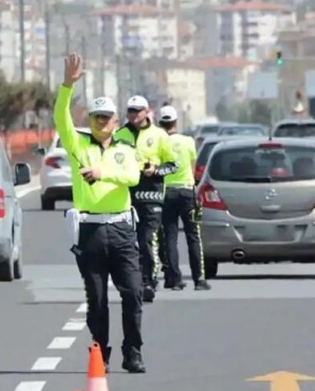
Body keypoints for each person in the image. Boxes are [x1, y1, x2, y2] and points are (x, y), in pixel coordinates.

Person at [54, 53, 146, 373]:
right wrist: (67, 84)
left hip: (121, 229)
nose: (101, 122)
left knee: (133, 292)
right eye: (95, 117)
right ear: (89, 119)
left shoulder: (124, 151)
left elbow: (133, 178)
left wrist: (103, 174)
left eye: (106, 117)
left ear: (116, 123)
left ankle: (132, 350)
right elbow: (60, 118)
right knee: (97, 298)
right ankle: (99, 353)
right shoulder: (79, 146)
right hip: (91, 231)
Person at [114, 94, 177, 303]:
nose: (134, 115)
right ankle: (133, 281)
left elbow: (173, 165)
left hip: (152, 196)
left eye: (138, 111)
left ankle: (149, 281)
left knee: (148, 239)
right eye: (130, 111)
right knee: (128, 243)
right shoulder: (120, 135)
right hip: (126, 197)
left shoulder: (159, 135)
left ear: (147, 111)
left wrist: (155, 170)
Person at [157, 106, 210, 291]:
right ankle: (199, 279)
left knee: (169, 236)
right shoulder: (188, 141)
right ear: (175, 122)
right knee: (193, 235)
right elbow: (193, 166)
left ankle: (174, 278)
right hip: (187, 192)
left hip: (166, 193)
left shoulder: (159, 142)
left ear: (159, 123)